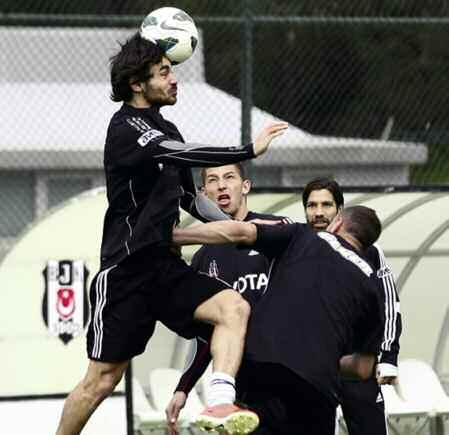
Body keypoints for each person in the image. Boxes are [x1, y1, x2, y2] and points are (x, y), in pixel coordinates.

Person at [55, 33, 288, 435]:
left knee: (234, 309)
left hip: (164, 266)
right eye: (164, 73)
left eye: (172, 71)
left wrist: (242, 230)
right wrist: (248, 150)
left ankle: (218, 403)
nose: (174, 79)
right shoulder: (126, 129)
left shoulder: (167, 127)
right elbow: (179, 154)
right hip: (127, 271)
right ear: (136, 84)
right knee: (102, 381)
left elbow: (191, 201)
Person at [172, 205, 386, 434]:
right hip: (317, 387)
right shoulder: (372, 289)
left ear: (338, 223)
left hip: (264, 364)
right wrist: (325, 359)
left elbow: (241, 232)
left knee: (260, 422)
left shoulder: (305, 236)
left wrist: (176, 236)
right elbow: (363, 368)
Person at [164, 163, 290, 433]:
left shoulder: (276, 232)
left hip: (290, 375)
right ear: (203, 193)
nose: (221, 185)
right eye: (213, 180)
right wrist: (182, 389)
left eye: (229, 177)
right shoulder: (202, 258)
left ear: (245, 186)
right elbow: (206, 336)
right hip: (243, 385)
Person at [302, 178, 402, 435]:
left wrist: (389, 356)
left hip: (357, 366)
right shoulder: (296, 247)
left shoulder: (369, 250)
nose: (319, 212)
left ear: (340, 212)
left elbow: (389, 303)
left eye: (326, 204)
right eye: (312, 205)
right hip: (310, 368)